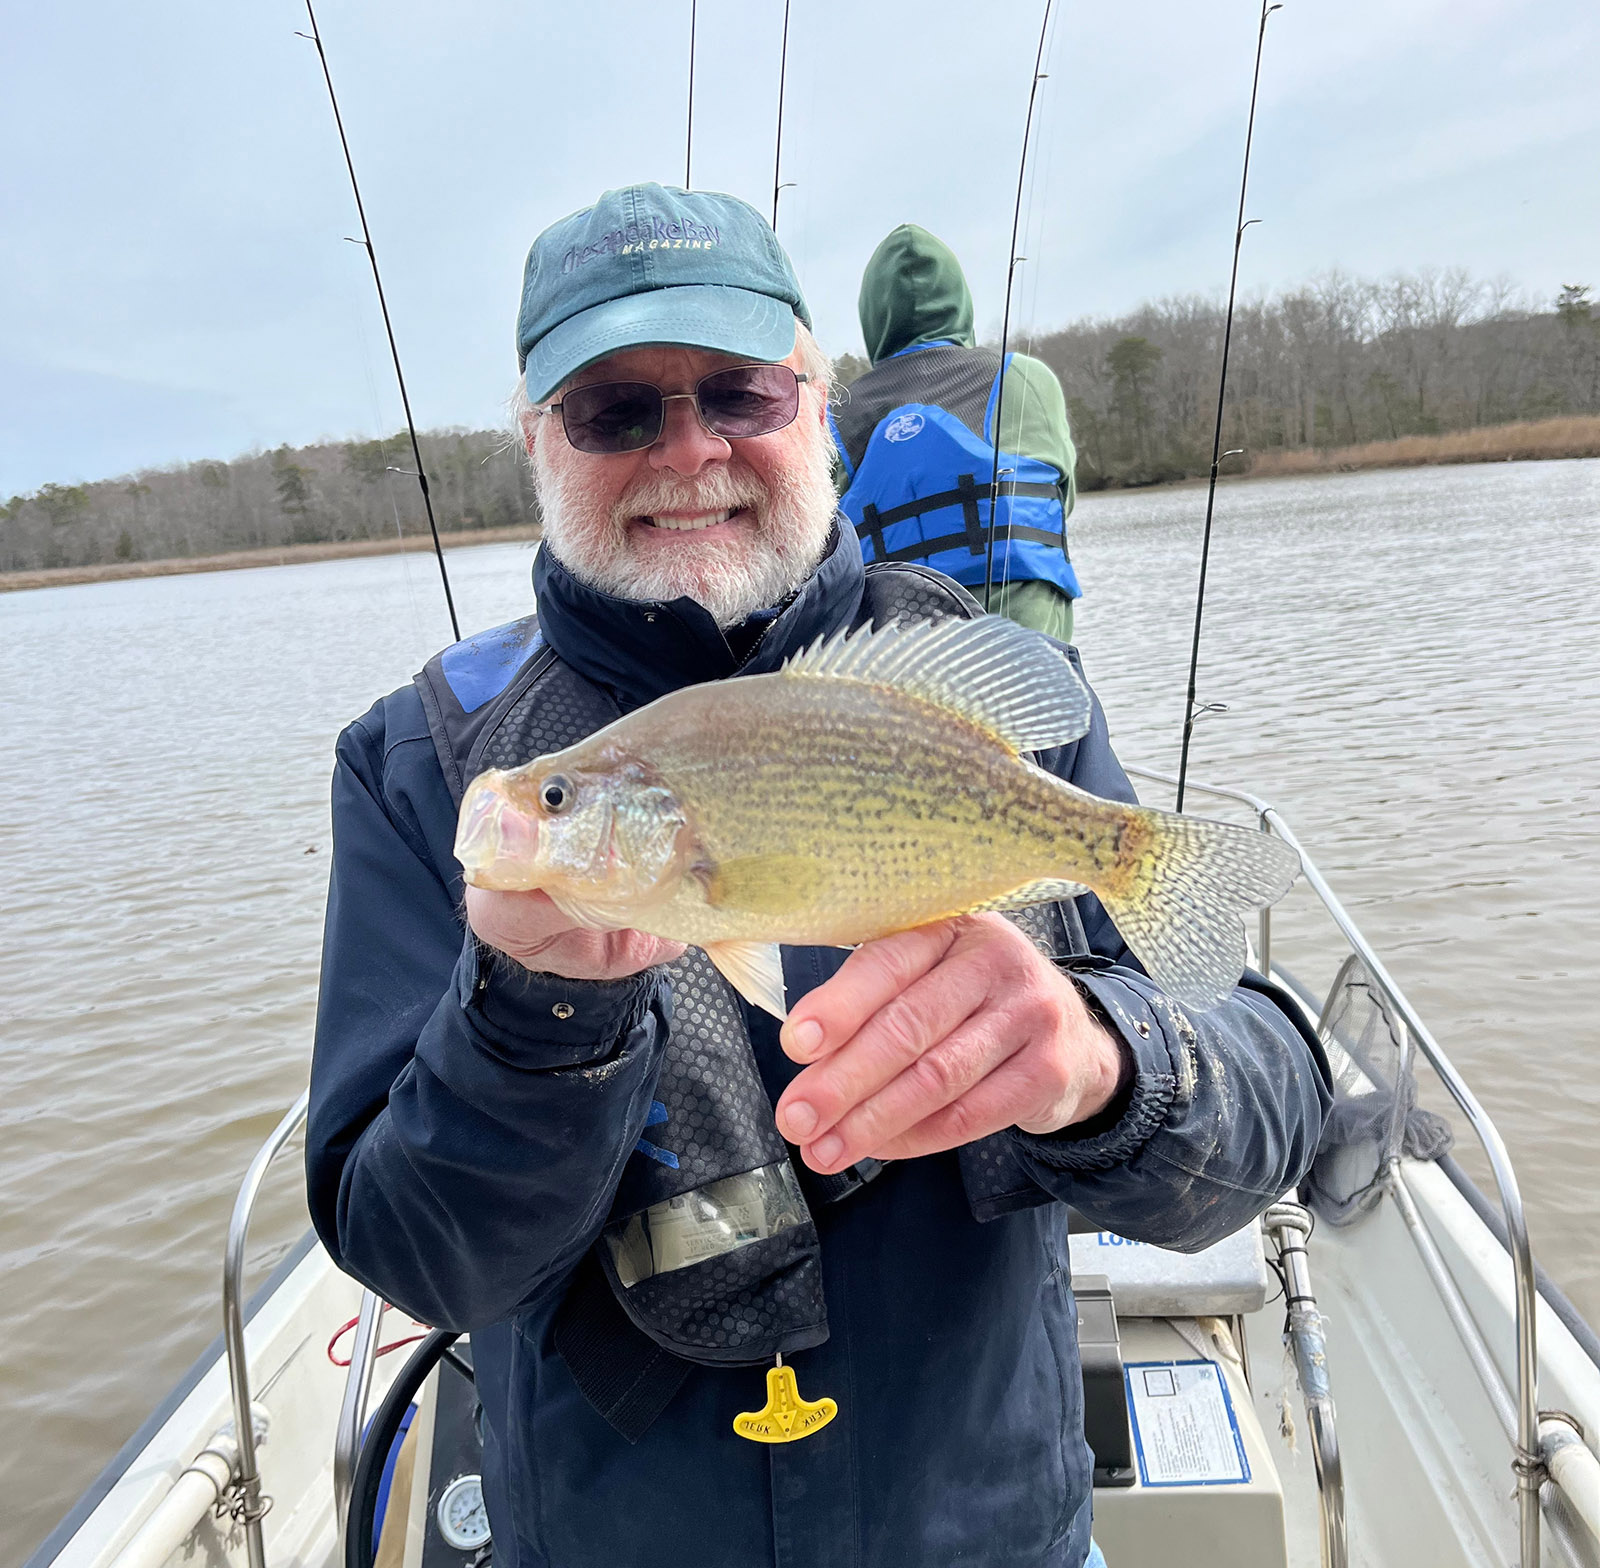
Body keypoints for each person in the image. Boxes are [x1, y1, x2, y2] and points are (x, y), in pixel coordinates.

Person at [307, 183, 1330, 1568]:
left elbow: (1269, 1112)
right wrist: (530, 1020)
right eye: (615, 410)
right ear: (537, 438)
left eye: (741, 392)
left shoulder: (973, 684)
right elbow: (406, 1252)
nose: (689, 451)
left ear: (817, 402)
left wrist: (1102, 1061)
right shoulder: (424, 765)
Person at [832, 223, 1082, 641]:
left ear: (872, 316)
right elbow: (1061, 497)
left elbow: (825, 551)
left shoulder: (835, 415)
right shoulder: (1024, 377)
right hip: (1027, 643)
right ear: (961, 302)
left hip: (897, 654)